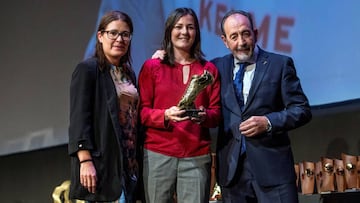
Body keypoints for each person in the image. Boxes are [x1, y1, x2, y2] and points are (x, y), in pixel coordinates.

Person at [211, 10, 312, 202]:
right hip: (232, 174)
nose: (241, 42)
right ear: (225, 41)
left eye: (246, 33)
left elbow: (302, 109)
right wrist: (163, 56)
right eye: (234, 36)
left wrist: (268, 122)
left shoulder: (279, 64)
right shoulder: (215, 68)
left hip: (274, 172)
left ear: (255, 33)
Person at [138, 7, 221, 203]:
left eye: (190, 27)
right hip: (158, 153)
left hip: (196, 155)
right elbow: (141, 112)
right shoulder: (152, 67)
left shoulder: (208, 70)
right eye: (179, 26)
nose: (184, 32)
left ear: (197, 33)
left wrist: (204, 116)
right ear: (169, 31)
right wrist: (165, 115)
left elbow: (216, 113)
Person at [68, 10, 139, 203]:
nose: (119, 39)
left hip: (128, 166)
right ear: (100, 36)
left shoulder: (128, 74)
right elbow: (79, 120)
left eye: (125, 34)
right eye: (113, 33)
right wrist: (85, 161)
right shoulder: (88, 70)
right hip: (102, 166)